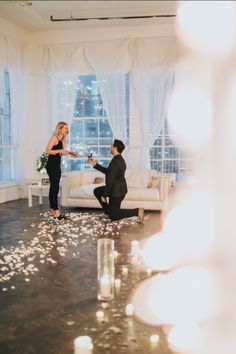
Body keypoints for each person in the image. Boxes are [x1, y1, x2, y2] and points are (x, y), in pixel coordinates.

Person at [88, 139, 144, 222]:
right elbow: (109, 172)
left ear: (115, 148)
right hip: (118, 189)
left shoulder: (116, 162)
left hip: (116, 192)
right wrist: (95, 164)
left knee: (114, 216)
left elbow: (110, 181)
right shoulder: (118, 159)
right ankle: (108, 212)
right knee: (97, 191)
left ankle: (137, 211)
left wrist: (105, 195)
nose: (110, 148)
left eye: (111, 146)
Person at [45, 121, 78, 219]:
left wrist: (71, 153)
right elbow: (47, 151)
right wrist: (59, 150)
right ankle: (56, 211)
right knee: (55, 188)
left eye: (67, 129)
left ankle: (52, 209)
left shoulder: (62, 140)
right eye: (65, 128)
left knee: (54, 188)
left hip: (57, 166)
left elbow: (62, 152)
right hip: (51, 166)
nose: (67, 130)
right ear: (59, 129)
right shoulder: (54, 138)